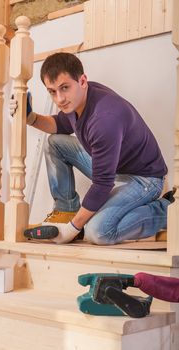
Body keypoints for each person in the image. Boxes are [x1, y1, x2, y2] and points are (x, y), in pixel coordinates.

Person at [10, 52, 173, 245]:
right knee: (55, 143)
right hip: (117, 166)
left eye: (64, 88)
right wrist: (31, 118)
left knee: (98, 232)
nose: (60, 99)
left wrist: (73, 228)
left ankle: (166, 209)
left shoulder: (105, 118)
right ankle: (66, 210)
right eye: (52, 91)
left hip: (146, 179)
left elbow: (102, 184)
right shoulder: (77, 100)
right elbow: (59, 125)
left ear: (83, 81)